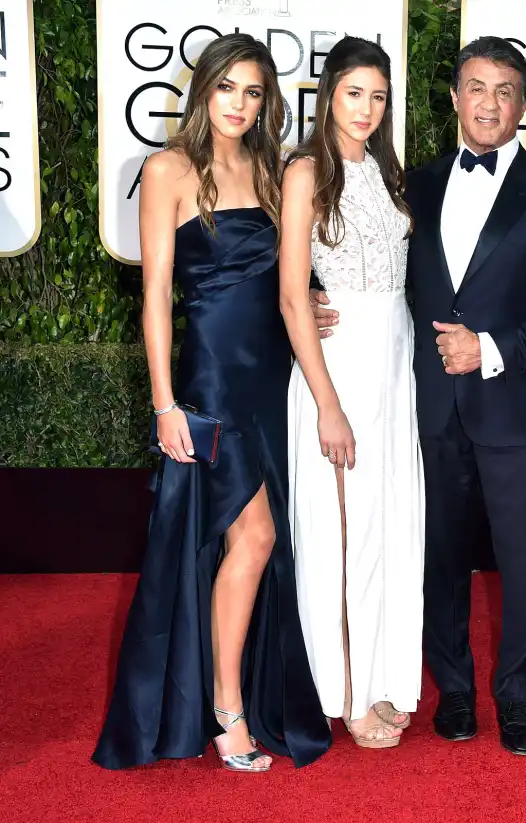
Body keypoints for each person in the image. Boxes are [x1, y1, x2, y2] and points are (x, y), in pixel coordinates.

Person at [312, 35, 526, 755]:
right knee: (436, 556)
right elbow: (367, 263)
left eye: (505, 90)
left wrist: (493, 349)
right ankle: (456, 692)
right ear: (454, 98)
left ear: (524, 104)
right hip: (426, 406)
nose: (489, 103)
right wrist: (317, 290)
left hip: (518, 409)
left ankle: (516, 697)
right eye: (476, 87)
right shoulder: (414, 184)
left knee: (524, 560)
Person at [93, 33, 331, 772]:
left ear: (267, 103)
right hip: (211, 382)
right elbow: (157, 298)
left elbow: (282, 276)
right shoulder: (167, 169)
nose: (239, 104)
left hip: (271, 378)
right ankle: (226, 708)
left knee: (247, 542)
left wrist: (308, 301)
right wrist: (165, 403)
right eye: (227, 87)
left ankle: (226, 696)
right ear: (203, 91)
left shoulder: (269, 171)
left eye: (253, 92)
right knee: (251, 537)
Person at [279, 37, 423, 750]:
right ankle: (346, 691)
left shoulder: (388, 172)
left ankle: (382, 675)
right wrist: (327, 402)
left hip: (395, 366)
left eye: (378, 95)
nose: (366, 109)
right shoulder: (306, 172)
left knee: (391, 525)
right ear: (328, 93)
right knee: (344, 536)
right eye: (353, 93)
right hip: (337, 370)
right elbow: (290, 296)